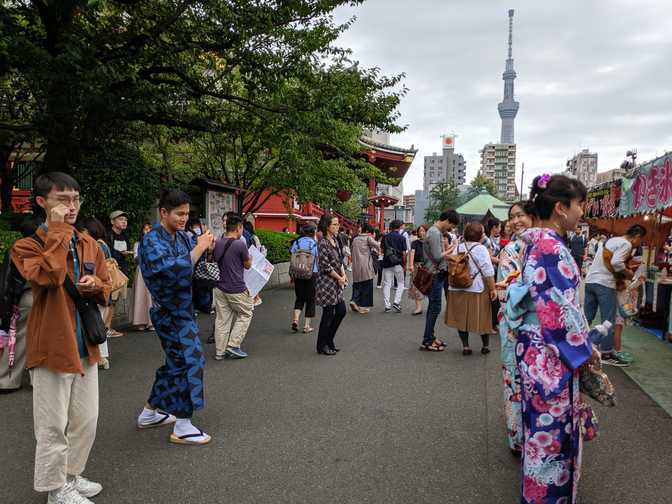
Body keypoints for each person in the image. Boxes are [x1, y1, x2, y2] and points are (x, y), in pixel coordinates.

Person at [12, 172, 112, 503]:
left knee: (87, 419)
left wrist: (96, 286)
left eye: (76, 199)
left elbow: (107, 285)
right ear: (42, 202)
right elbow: (49, 277)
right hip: (51, 346)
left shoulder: (87, 243)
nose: (71, 206)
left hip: (86, 343)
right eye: (62, 199)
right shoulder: (26, 245)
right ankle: (56, 490)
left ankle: (70, 476)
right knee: (53, 424)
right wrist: (56, 233)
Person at [509, 174, 598, 504]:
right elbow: (558, 311)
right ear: (561, 208)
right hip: (550, 353)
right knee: (551, 437)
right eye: (579, 205)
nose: (581, 212)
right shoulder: (549, 246)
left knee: (544, 433)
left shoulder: (542, 243)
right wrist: (585, 348)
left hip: (541, 348)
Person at [137, 189, 214, 446]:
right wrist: (199, 249)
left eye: (186, 213)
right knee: (191, 361)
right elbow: (169, 270)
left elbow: (197, 260)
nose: (184, 218)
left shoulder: (182, 237)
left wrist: (206, 246)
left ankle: (149, 412)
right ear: (163, 213)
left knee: (175, 364)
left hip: (182, 309)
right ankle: (183, 423)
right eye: (179, 213)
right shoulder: (152, 241)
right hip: (169, 312)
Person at [495, 200, 536, 456]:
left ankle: (535, 436)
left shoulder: (544, 248)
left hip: (539, 326)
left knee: (535, 382)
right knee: (514, 378)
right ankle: (517, 436)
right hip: (514, 324)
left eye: (521, 215)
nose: (516, 220)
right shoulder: (510, 250)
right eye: (512, 217)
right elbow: (504, 292)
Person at [584, 224, 646, 367]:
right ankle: (606, 352)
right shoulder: (626, 244)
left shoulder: (611, 240)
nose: (639, 243)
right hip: (605, 284)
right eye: (640, 240)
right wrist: (629, 273)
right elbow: (617, 263)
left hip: (590, 281)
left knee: (587, 317)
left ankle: (579, 345)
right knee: (608, 320)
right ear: (637, 236)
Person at [0, 214, 42, 391]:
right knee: (42, 338)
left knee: (19, 337)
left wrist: (5, 310)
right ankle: (38, 380)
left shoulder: (16, 249)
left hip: (25, 297)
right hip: (46, 295)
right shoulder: (48, 248)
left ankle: (8, 380)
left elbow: (6, 281)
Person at [445, 222, 496, 355]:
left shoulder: (458, 247)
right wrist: (492, 289)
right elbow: (488, 272)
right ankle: (485, 346)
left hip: (457, 287)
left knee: (461, 319)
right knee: (483, 318)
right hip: (476, 288)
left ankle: (466, 346)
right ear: (479, 235)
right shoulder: (481, 249)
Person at [212, 214, 254, 360]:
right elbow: (248, 265)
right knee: (246, 313)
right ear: (239, 227)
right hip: (236, 287)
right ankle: (233, 345)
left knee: (222, 320)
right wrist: (251, 259)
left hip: (219, 287)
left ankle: (220, 351)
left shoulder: (218, 242)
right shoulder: (239, 244)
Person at [76, 216, 115, 370]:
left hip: (95, 290)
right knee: (97, 323)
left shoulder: (96, 246)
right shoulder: (98, 244)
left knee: (96, 323)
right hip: (97, 289)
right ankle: (101, 357)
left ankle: (100, 357)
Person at [421, 209, 460, 351]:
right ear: (447, 220)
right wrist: (452, 250)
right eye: (452, 225)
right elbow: (437, 256)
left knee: (434, 306)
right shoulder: (435, 232)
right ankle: (427, 339)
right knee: (434, 307)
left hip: (434, 272)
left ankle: (430, 337)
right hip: (435, 273)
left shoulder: (433, 231)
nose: (451, 229)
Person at [315, 214, 347, 355]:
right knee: (328, 314)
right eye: (334, 224)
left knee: (341, 311)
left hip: (337, 280)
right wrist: (339, 277)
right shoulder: (322, 243)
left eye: (337, 224)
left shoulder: (336, 240)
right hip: (327, 283)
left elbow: (340, 260)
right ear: (327, 226)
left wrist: (343, 274)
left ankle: (329, 340)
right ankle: (322, 345)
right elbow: (325, 266)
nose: (337, 226)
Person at [106, 210, 131, 337]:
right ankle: (105, 328)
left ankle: (107, 327)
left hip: (121, 270)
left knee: (115, 300)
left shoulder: (125, 235)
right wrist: (120, 254)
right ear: (112, 221)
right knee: (109, 299)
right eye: (121, 219)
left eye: (125, 220)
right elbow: (107, 252)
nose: (124, 222)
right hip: (111, 270)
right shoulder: (107, 235)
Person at [290, 223, 319, 333]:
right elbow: (317, 258)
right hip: (311, 273)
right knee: (310, 300)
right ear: (313, 232)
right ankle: (307, 326)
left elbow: (292, 256)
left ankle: (296, 320)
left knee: (299, 298)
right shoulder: (314, 244)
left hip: (298, 273)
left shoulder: (296, 243)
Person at [349, 223, 380, 314]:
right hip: (366, 265)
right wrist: (377, 252)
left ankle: (354, 300)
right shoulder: (367, 238)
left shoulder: (355, 239)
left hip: (356, 266)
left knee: (357, 285)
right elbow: (377, 245)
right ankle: (363, 306)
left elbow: (351, 250)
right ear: (367, 231)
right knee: (367, 286)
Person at [187, 218, 214, 315]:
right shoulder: (189, 236)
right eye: (195, 227)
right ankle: (197, 307)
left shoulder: (201, 236)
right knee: (195, 287)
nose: (198, 228)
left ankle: (202, 306)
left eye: (199, 226)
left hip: (199, 266)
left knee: (200, 287)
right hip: (193, 267)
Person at [381, 220, 407, 313]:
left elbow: (382, 250)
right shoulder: (402, 238)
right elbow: (404, 253)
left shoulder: (385, 237)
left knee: (387, 283)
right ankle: (396, 302)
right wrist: (404, 264)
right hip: (398, 263)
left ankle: (387, 305)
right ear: (399, 227)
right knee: (401, 283)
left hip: (387, 262)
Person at [131, 222, 154, 331]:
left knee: (151, 296)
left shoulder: (155, 242)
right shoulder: (137, 243)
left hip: (153, 270)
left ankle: (152, 322)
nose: (148, 231)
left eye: (149, 228)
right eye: (145, 229)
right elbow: (136, 258)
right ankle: (140, 321)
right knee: (140, 295)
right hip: (141, 270)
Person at [407, 225, 428, 316]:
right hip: (417, 266)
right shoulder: (415, 243)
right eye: (420, 231)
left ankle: (432, 306)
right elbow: (412, 253)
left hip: (428, 267)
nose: (422, 232)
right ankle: (418, 308)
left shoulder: (430, 242)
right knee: (416, 286)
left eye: (423, 231)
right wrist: (411, 265)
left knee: (429, 286)